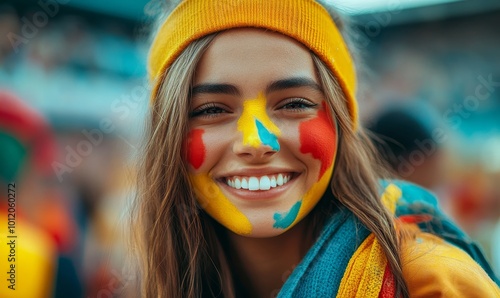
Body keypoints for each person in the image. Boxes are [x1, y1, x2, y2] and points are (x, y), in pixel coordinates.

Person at [131, 0, 500, 297]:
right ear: (167, 139)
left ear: (342, 124)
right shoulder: (161, 281)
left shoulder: (433, 283)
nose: (257, 141)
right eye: (211, 110)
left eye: (294, 104)